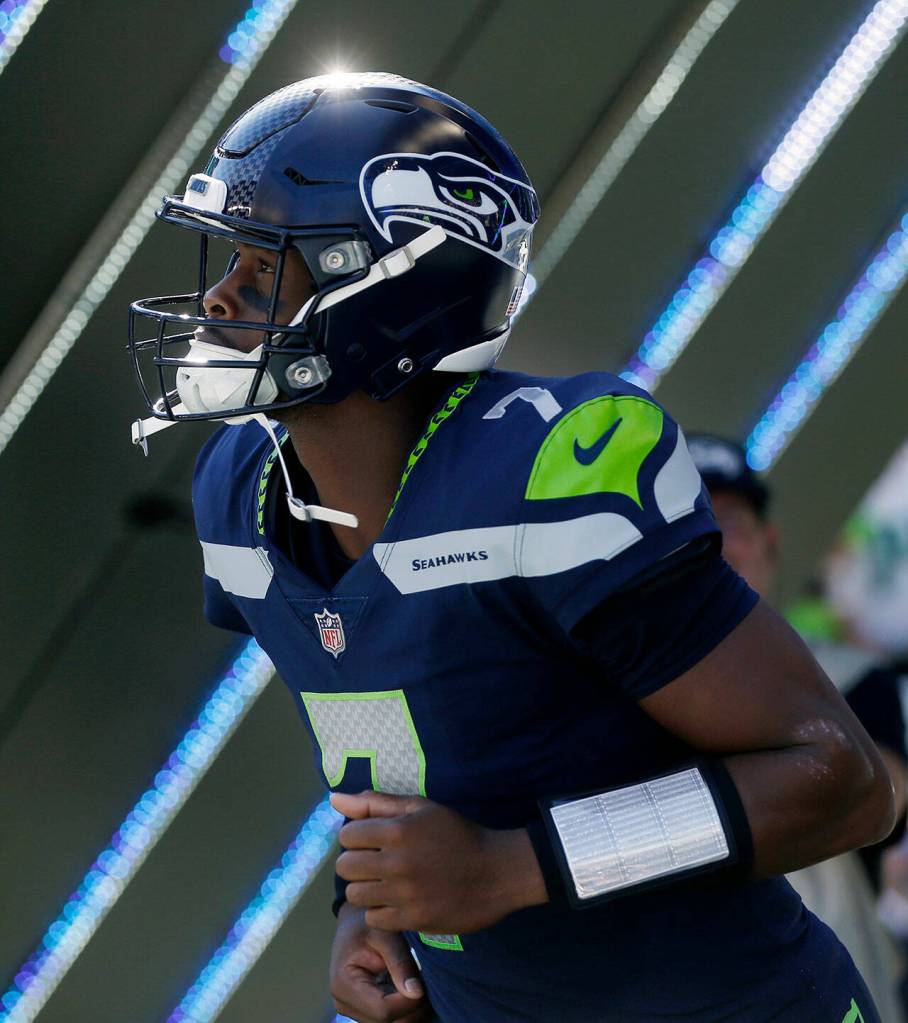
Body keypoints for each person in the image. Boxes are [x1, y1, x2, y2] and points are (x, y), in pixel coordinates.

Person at [127, 73, 895, 1023]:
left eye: (263, 263)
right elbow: (419, 741)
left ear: (385, 288)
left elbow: (841, 782)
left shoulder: (545, 472)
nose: (216, 298)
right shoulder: (241, 492)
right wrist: (375, 901)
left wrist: (514, 867)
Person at [688, 433, 908, 1023]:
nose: (709, 537)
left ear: (770, 543)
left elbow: (882, 789)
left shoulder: (851, 675)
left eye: (728, 520)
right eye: (689, 515)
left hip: (831, 982)